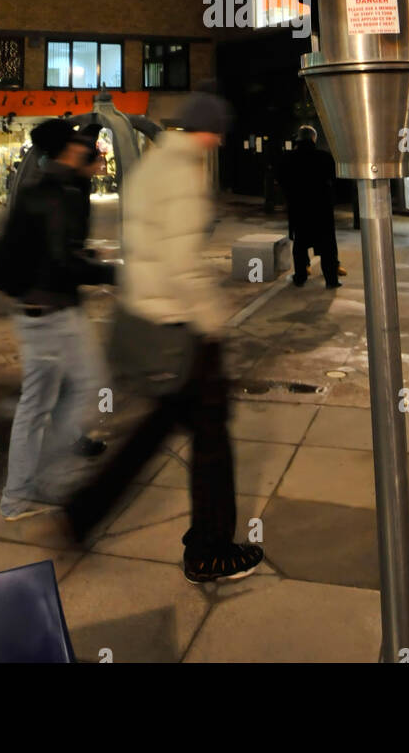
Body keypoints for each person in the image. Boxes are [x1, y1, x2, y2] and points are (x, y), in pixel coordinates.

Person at [65, 86, 264, 584]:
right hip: (181, 326)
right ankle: (210, 551)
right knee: (212, 436)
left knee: (160, 426)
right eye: (217, 132)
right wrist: (212, 322)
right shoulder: (182, 174)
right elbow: (180, 261)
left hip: (149, 316)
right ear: (208, 130)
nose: (219, 142)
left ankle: (81, 513)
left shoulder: (153, 165)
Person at [0, 118, 114, 521]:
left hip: (33, 312)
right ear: (68, 148)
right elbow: (63, 260)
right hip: (54, 312)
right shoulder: (60, 193)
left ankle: (19, 495)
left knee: (41, 402)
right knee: (82, 387)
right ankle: (41, 482)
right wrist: (112, 273)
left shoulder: (41, 186)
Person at [277, 125, 341, 288]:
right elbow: (335, 180)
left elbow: (282, 181)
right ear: (314, 138)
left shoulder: (288, 158)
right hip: (322, 209)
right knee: (328, 246)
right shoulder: (324, 157)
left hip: (299, 208)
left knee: (300, 245)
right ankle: (331, 280)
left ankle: (300, 277)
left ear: (298, 138)